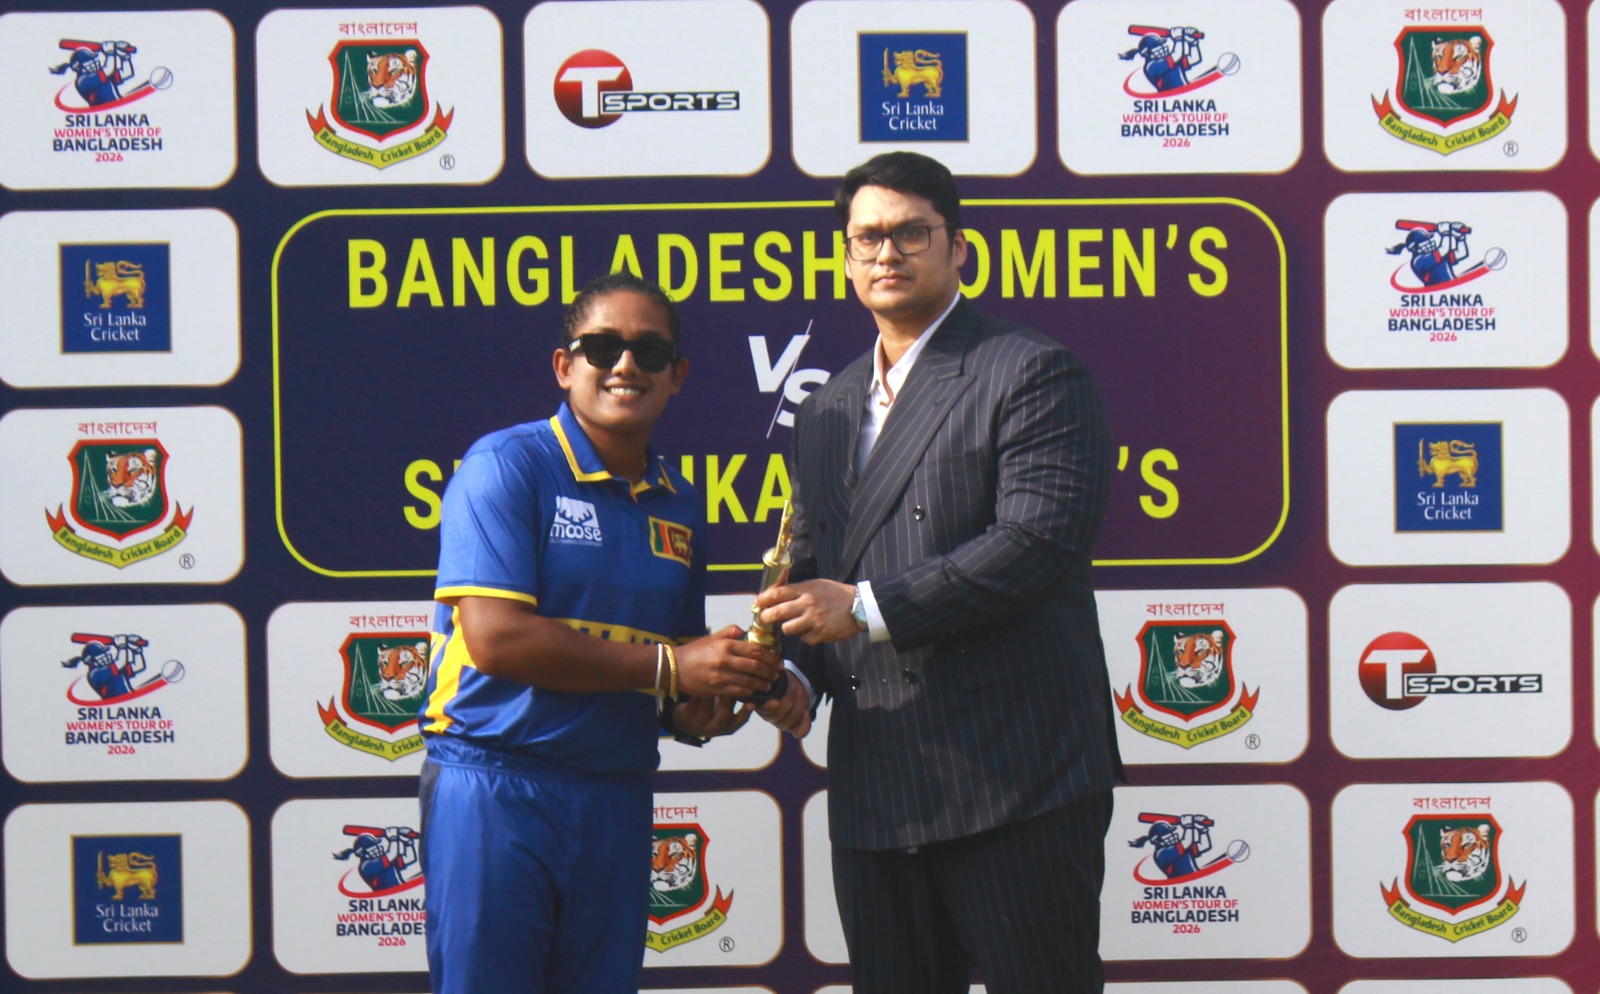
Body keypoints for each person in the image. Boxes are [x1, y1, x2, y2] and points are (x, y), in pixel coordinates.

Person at [756, 151, 1122, 994]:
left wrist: (865, 608)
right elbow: (816, 569)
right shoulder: (828, 407)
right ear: (846, 258)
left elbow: (1035, 545)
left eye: (910, 233)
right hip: (879, 779)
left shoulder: (1029, 370)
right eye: (867, 238)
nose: (887, 253)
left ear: (958, 247)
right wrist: (794, 677)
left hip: (1016, 773)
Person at [416, 272, 781, 994]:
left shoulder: (678, 506)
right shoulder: (507, 465)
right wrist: (673, 670)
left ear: (677, 376)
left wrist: (699, 707)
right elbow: (497, 639)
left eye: (650, 351)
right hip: (496, 782)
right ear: (565, 365)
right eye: (603, 347)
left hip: (616, 793)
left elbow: (665, 673)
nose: (626, 365)